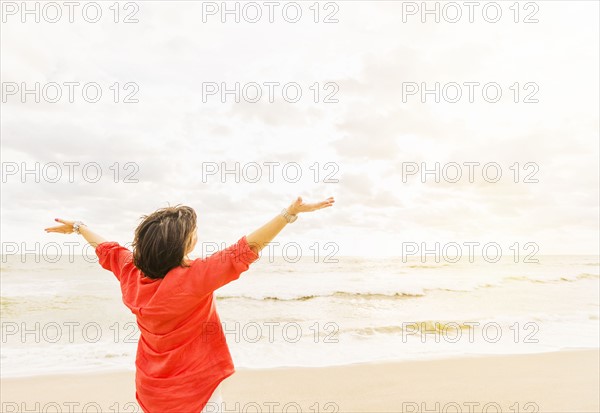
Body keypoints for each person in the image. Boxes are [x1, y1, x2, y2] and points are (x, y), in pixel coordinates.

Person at [44, 196, 334, 413]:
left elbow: (107, 249)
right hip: (198, 391)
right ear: (185, 245)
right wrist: (289, 214)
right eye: (192, 233)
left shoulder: (130, 271)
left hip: (151, 390)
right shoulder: (196, 277)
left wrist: (80, 227)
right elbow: (245, 249)